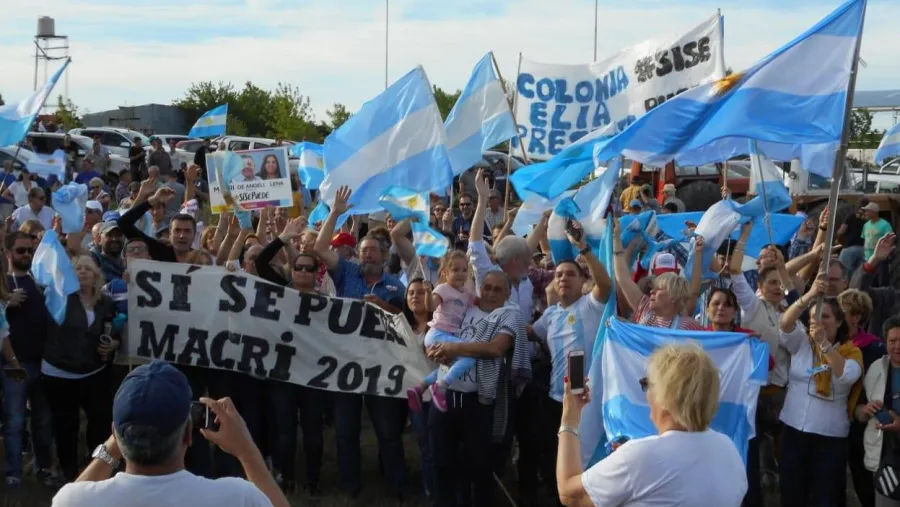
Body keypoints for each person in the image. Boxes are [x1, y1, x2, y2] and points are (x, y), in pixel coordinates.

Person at [50, 361, 288, 507]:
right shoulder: (237, 498)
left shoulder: (74, 500)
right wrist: (247, 450)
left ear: (115, 433)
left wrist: (114, 447)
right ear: (188, 434)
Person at [555, 343, 747, 506]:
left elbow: (570, 494)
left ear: (665, 396)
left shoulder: (639, 456)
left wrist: (570, 416)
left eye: (647, 384)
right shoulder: (729, 449)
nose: (646, 394)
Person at [313, 185, 408, 498]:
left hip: (381, 367)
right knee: (345, 431)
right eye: (363, 250)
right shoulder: (346, 273)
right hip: (346, 364)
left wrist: (383, 307)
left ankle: (395, 484)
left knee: (388, 432)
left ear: (383, 256)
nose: (367, 254)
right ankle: (350, 484)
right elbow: (319, 247)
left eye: (373, 251)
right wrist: (336, 213)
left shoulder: (394, 285)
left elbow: (405, 319)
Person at [426, 270, 530, 507]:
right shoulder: (464, 309)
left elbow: (495, 349)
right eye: (487, 287)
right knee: (441, 460)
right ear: (480, 289)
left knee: (479, 464)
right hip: (447, 392)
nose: (491, 293)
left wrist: (453, 350)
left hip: (477, 398)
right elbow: (441, 334)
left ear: (507, 294)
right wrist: (435, 350)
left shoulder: (510, 315)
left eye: (497, 289)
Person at [528, 222, 612, 502]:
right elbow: (531, 335)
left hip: (586, 402)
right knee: (556, 462)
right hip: (555, 401)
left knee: (583, 466)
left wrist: (583, 248)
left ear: (581, 280)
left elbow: (606, 285)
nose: (563, 278)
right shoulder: (549, 316)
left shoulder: (591, 305)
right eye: (559, 275)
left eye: (570, 275)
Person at [253, 219, 327, 495]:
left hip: (312, 375)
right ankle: (287, 477)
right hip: (282, 373)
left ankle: (313, 481)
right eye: (298, 267)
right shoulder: (280, 290)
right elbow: (261, 262)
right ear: (291, 270)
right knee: (284, 429)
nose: (303, 272)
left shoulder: (327, 303)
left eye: (309, 268)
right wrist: (283, 238)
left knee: (312, 431)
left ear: (316, 273)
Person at [778, 275, 863, 506]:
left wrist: (824, 344)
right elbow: (785, 325)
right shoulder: (802, 341)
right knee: (791, 493)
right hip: (794, 431)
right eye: (815, 317)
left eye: (825, 317)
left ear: (838, 322)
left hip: (829, 439)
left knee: (827, 498)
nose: (819, 321)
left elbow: (845, 375)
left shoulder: (850, 352)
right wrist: (808, 295)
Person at [42, 254, 119, 481]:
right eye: (77, 269)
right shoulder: (59, 297)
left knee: (100, 425)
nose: (82, 272)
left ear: (96, 275)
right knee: (66, 427)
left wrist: (113, 343)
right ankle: (68, 475)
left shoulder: (105, 301)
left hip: (93, 372)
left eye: (87, 268)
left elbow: (113, 330)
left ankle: (96, 472)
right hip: (60, 372)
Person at [3, 231, 58, 489]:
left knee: (43, 421)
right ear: (8, 253)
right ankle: (13, 473)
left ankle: (43, 468)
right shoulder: (2, 284)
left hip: (44, 364)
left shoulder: (40, 282)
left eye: (29, 250)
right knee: (14, 422)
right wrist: (5, 302)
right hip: (12, 366)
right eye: (20, 250)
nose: (25, 255)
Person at [407, 250, 477, 412]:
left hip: (447, 336)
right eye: (455, 270)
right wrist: (426, 293)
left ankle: (420, 388)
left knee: (446, 368)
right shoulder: (443, 288)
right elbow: (430, 306)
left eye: (464, 270)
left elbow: (477, 302)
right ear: (445, 273)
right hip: (437, 334)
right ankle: (441, 387)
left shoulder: (466, 294)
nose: (461, 274)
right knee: (471, 355)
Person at [841, 288, 883, 507]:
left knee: (864, 483)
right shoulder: (831, 344)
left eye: (843, 313)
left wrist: (860, 408)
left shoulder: (876, 348)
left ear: (856, 318)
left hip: (862, 424)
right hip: (835, 422)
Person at [857, 316, 900, 507]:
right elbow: (858, 411)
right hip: (884, 456)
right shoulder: (876, 368)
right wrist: (865, 410)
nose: (897, 346)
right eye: (892, 341)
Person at [839, 198, 869, 275]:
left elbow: (841, 232)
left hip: (849, 248)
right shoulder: (870, 219)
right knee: (859, 277)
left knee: (843, 274)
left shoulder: (851, 216)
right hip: (864, 250)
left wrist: (840, 241)